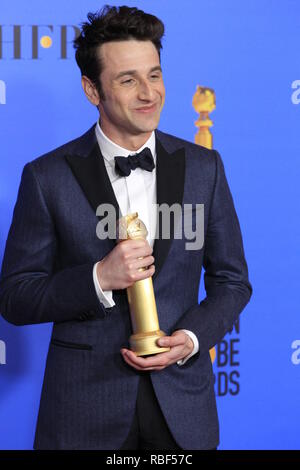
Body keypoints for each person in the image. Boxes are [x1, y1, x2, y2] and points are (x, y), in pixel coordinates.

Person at [0, 5, 252, 450]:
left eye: (154, 76)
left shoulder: (204, 167)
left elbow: (232, 282)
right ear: (91, 90)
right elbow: (16, 296)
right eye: (127, 80)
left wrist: (192, 339)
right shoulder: (47, 177)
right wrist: (99, 278)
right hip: (82, 414)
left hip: (183, 413)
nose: (148, 93)